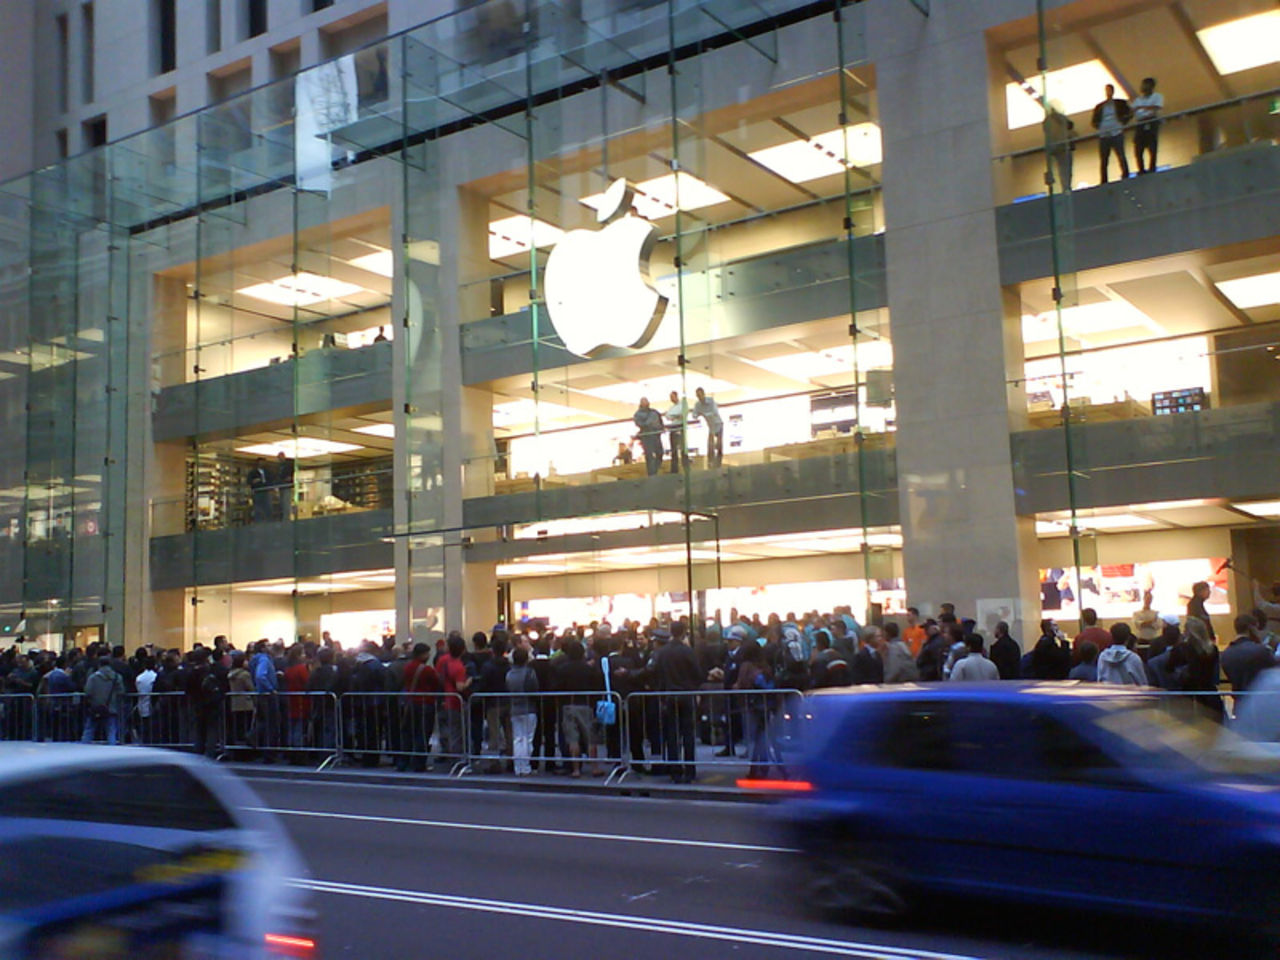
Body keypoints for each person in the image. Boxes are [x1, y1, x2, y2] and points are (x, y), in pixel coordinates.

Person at [650, 625, 702, 783]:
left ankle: (675, 770)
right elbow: (698, 673)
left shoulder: (663, 653)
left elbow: (655, 672)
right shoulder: (687, 651)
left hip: (669, 695)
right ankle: (690, 769)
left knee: (672, 734)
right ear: (684, 632)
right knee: (688, 734)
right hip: (686, 694)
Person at [436, 632, 471, 765]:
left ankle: (446, 752)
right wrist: (469, 681)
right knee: (458, 731)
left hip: (444, 697)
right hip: (455, 701)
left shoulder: (443, 660)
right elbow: (460, 687)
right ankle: (457, 758)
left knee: (446, 728)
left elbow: (438, 675)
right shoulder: (459, 666)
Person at [506, 644, 539, 776]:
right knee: (528, 738)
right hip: (528, 707)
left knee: (518, 738)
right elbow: (534, 689)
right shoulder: (529, 672)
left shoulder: (509, 674)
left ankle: (518, 766)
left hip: (515, 707)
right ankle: (525, 766)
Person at [1220, 613, 1273, 694]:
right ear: (1251, 628)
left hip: (1238, 701)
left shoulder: (1226, 654)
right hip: (1259, 699)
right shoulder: (1261, 651)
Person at [1091, 84, 1131, 183]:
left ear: (1113, 91)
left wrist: (1123, 122)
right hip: (1104, 133)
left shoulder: (1120, 103)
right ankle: (1104, 180)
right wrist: (1099, 127)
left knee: (1121, 154)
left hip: (1116, 131)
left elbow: (1130, 113)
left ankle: (1125, 174)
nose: (1108, 92)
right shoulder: (1100, 106)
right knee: (1104, 158)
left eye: (1109, 90)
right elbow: (1094, 121)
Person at [81, 656, 124, 745]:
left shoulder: (93, 677)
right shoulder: (116, 677)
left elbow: (87, 691)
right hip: (111, 707)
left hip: (96, 708)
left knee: (89, 731)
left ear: (99, 664)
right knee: (111, 732)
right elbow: (121, 691)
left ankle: (83, 749)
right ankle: (112, 751)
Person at [1131, 77, 1163, 175]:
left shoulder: (1157, 96)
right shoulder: (1138, 100)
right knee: (1138, 148)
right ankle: (1141, 169)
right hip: (1140, 123)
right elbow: (1133, 110)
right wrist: (1143, 109)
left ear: (1151, 86)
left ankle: (1152, 168)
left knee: (1152, 146)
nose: (1142, 87)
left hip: (1151, 121)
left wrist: (1141, 108)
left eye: (1145, 85)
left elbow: (1156, 107)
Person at [692, 386, 724, 469]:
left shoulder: (711, 401)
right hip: (711, 427)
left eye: (700, 395)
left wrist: (703, 414)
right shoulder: (697, 404)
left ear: (703, 394)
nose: (699, 397)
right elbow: (694, 415)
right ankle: (711, 462)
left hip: (718, 424)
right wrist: (698, 414)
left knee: (719, 444)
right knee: (710, 444)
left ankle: (719, 462)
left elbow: (714, 412)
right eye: (697, 396)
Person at [632, 397, 665, 476]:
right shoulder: (638, 414)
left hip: (656, 435)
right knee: (649, 455)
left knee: (660, 452)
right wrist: (648, 423)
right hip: (646, 436)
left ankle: (656, 468)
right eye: (644, 402)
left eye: (647, 402)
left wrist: (661, 428)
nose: (646, 403)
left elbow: (660, 420)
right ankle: (651, 473)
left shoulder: (654, 412)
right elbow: (639, 423)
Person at [664, 390, 690, 475]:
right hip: (673, 427)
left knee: (683, 448)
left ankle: (686, 467)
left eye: (672, 397)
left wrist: (675, 417)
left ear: (676, 396)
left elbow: (682, 415)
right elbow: (667, 416)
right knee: (674, 449)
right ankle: (674, 469)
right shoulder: (671, 408)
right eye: (670, 398)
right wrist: (675, 417)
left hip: (680, 426)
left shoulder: (683, 405)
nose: (672, 399)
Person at [248, 458, 272, 523]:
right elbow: (249, 481)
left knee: (268, 507)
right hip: (257, 492)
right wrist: (254, 481)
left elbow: (271, 480)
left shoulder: (268, 472)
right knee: (258, 508)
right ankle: (258, 522)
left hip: (266, 491)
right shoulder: (253, 472)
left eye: (263, 462)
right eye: (261, 462)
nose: (262, 464)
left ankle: (268, 521)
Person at [273, 450, 294, 522]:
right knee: (283, 502)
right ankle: (284, 517)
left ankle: (286, 518)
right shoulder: (279, 467)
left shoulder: (288, 465)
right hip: (281, 486)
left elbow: (289, 474)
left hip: (286, 485)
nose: (279, 459)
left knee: (286, 502)